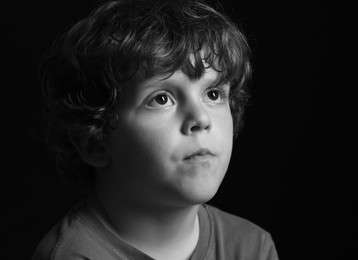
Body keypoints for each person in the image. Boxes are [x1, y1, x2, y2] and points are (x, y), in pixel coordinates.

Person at [32, 0, 279, 259]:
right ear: (94, 142)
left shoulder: (252, 247)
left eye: (214, 94)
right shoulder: (72, 255)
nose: (200, 117)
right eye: (161, 99)